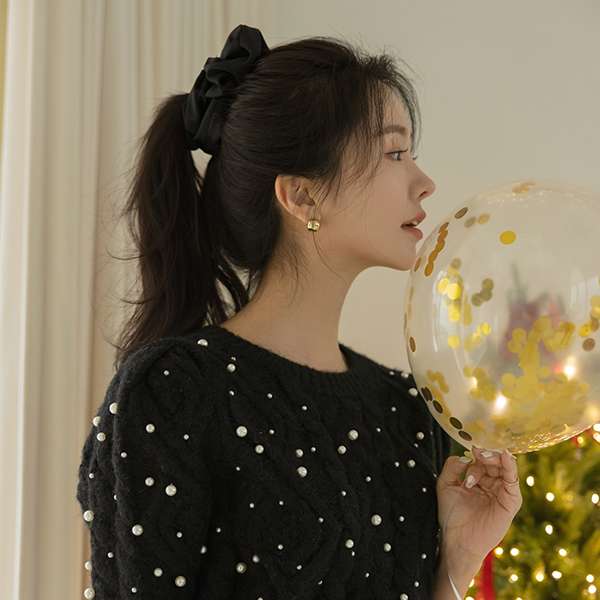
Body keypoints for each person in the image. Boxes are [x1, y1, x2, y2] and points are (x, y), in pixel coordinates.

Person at [77, 24, 522, 600]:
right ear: (303, 196)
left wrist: (455, 564)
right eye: (394, 152)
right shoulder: (172, 392)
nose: (424, 182)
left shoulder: (407, 410)